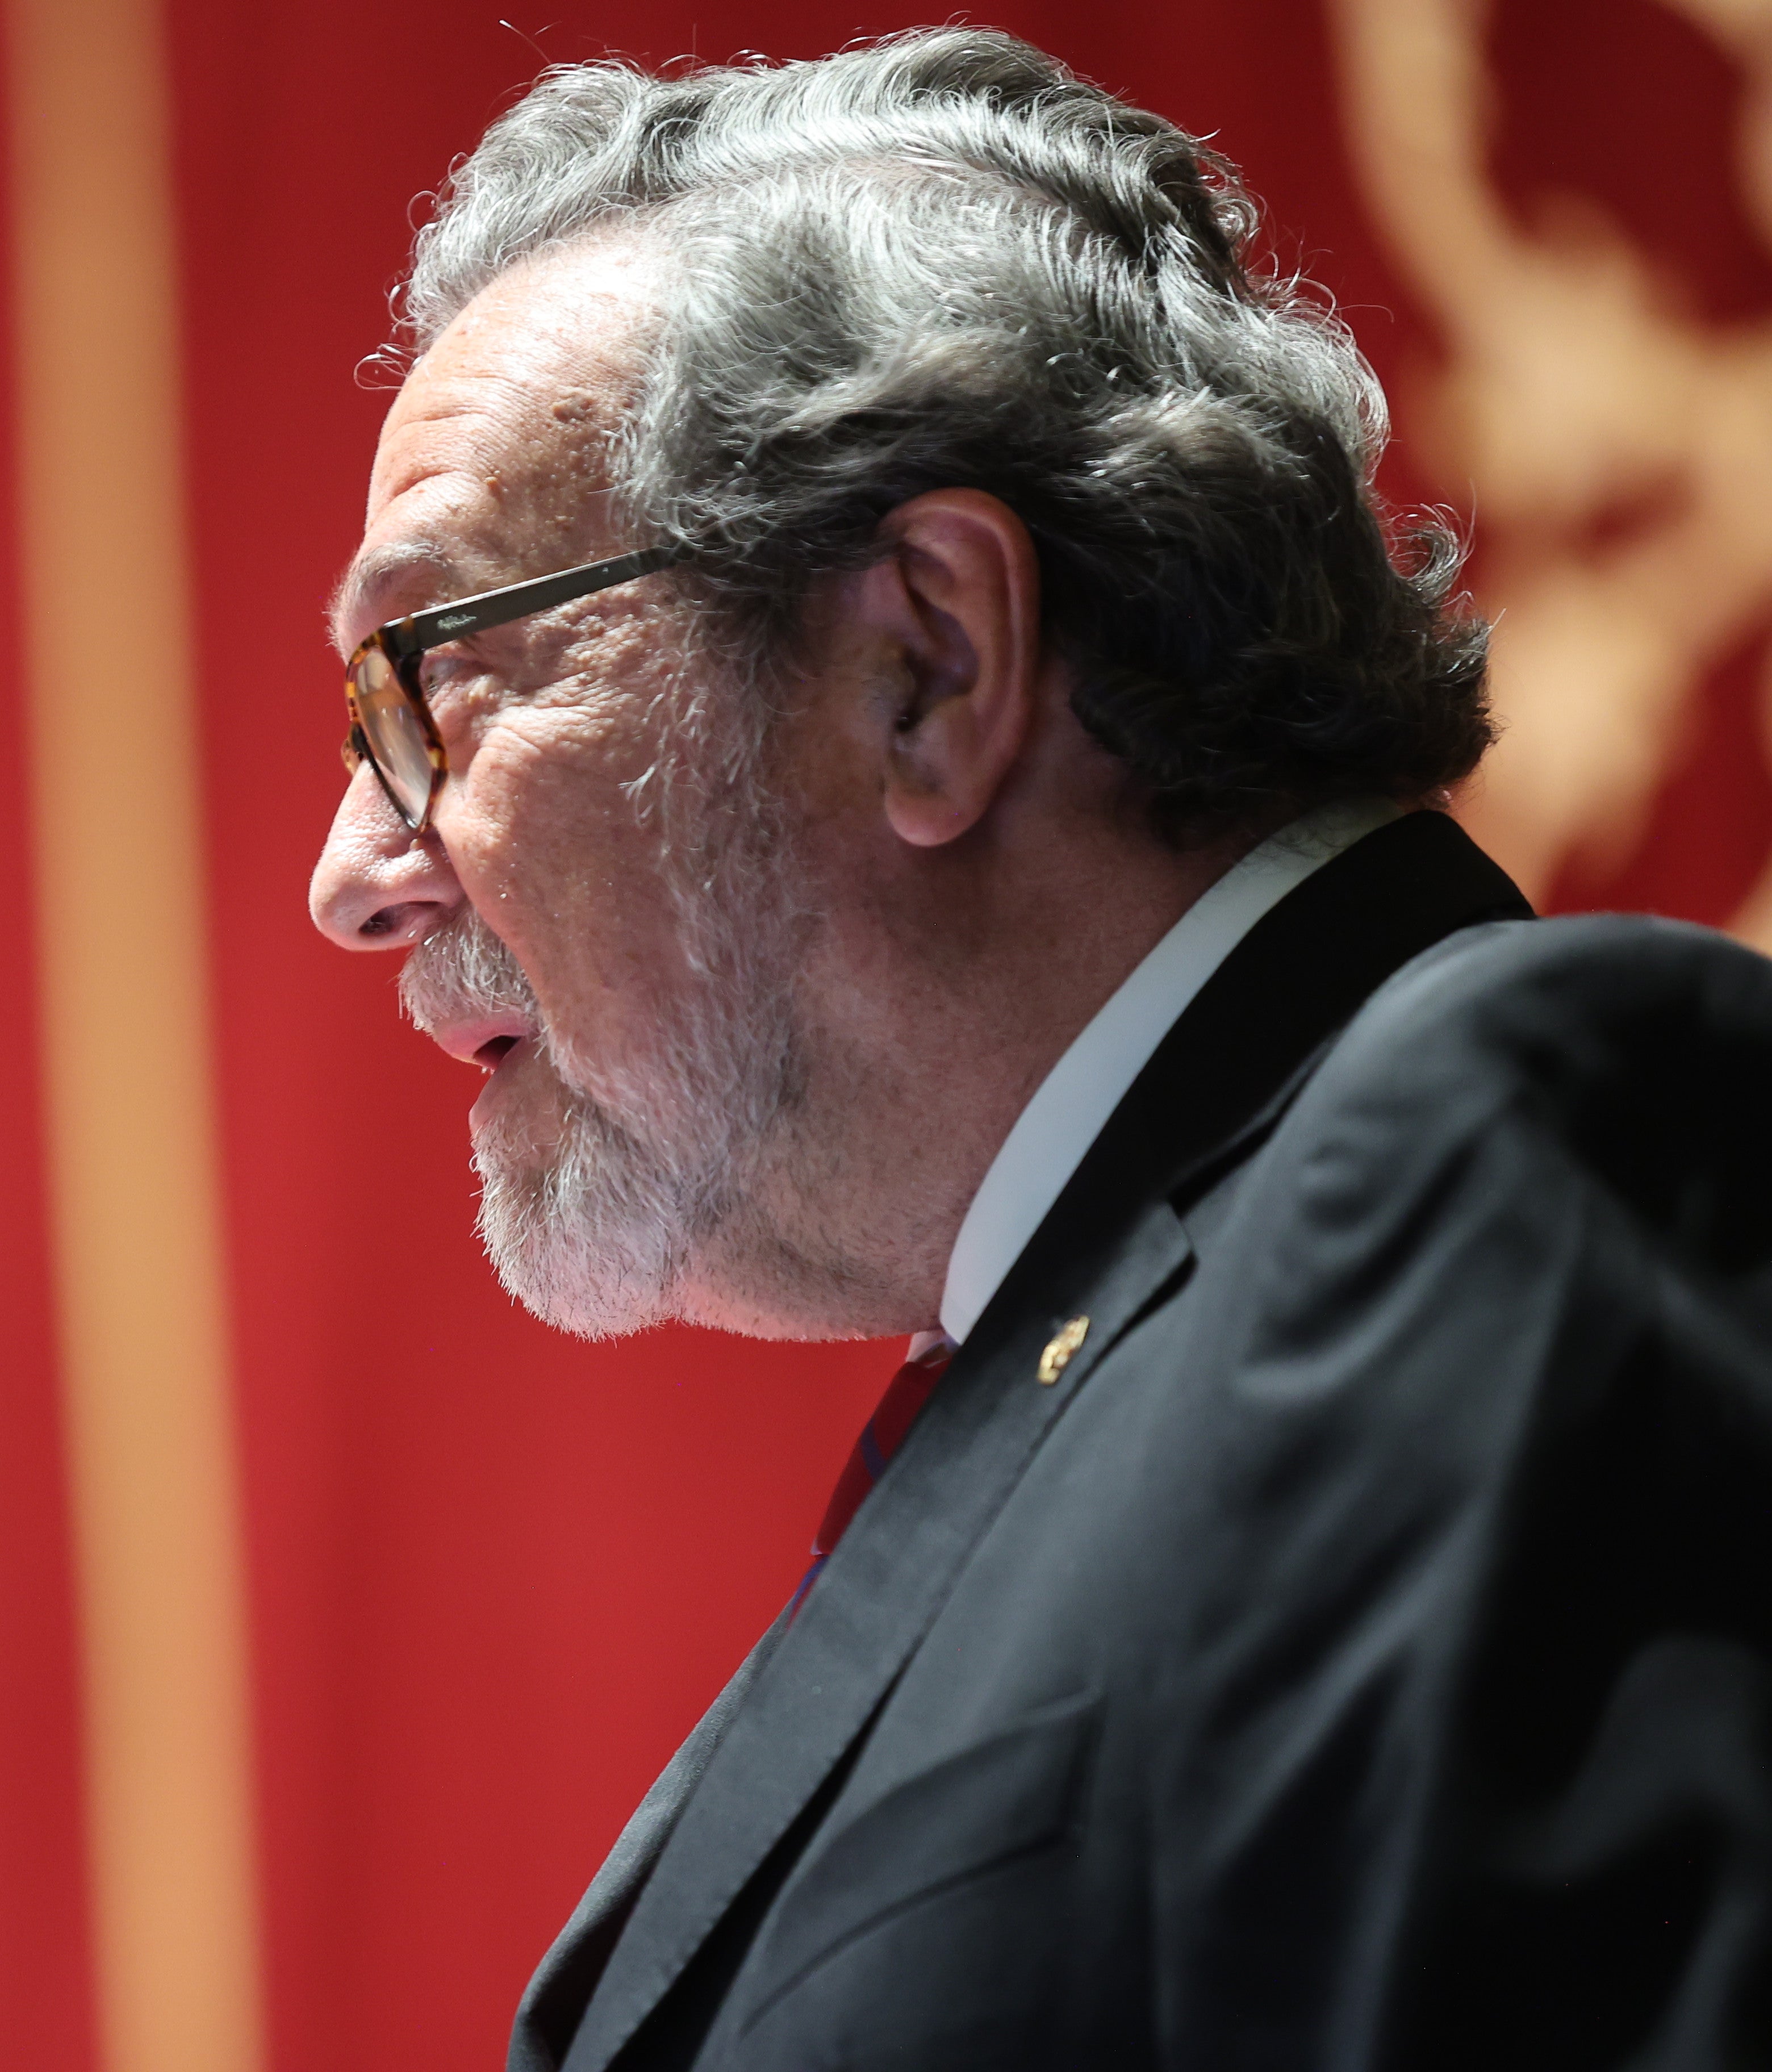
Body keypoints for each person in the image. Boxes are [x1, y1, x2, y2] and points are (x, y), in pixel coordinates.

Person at [306, 29, 1772, 2070]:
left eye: (436, 688)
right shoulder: (1090, 1362)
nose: (354, 875)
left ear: (928, 664)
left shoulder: (1487, 1162)